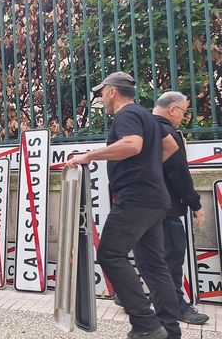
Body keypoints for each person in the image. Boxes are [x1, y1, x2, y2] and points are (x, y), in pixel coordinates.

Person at [67, 72, 181, 339]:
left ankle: (145, 324)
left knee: (109, 254)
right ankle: (168, 330)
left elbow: (132, 144)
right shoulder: (148, 117)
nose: (101, 98)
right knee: (155, 265)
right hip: (156, 199)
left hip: (136, 198)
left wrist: (89, 156)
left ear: (112, 92)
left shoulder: (126, 116)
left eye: (101, 92)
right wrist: (149, 168)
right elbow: (171, 146)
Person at [152, 91, 209, 325]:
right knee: (172, 257)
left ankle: (129, 298)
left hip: (142, 207)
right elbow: (179, 173)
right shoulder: (167, 133)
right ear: (173, 109)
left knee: (151, 257)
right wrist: (196, 204)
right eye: (184, 111)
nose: (184, 117)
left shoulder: (141, 128)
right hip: (167, 207)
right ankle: (176, 307)